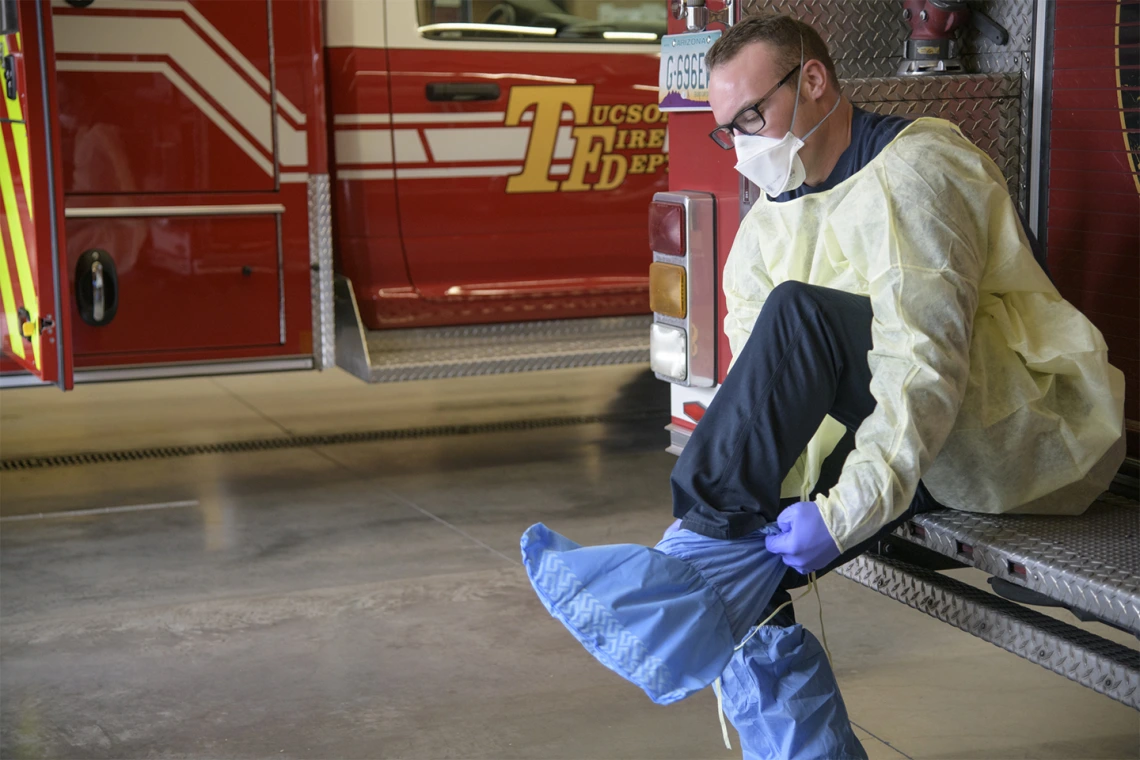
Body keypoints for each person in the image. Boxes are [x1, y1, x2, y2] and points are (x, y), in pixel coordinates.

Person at [521, 13, 1125, 759]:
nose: (744, 144)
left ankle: (688, 557)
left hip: (1006, 429)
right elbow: (769, 392)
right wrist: (787, 503)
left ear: (812, 81)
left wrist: (844, 515)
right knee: (746, 540)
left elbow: (922, 368)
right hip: (915, 437)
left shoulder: (913, 172)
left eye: (754, 115)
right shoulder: (776, 214)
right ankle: (805, 744)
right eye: (727, 129)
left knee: (799, 315)